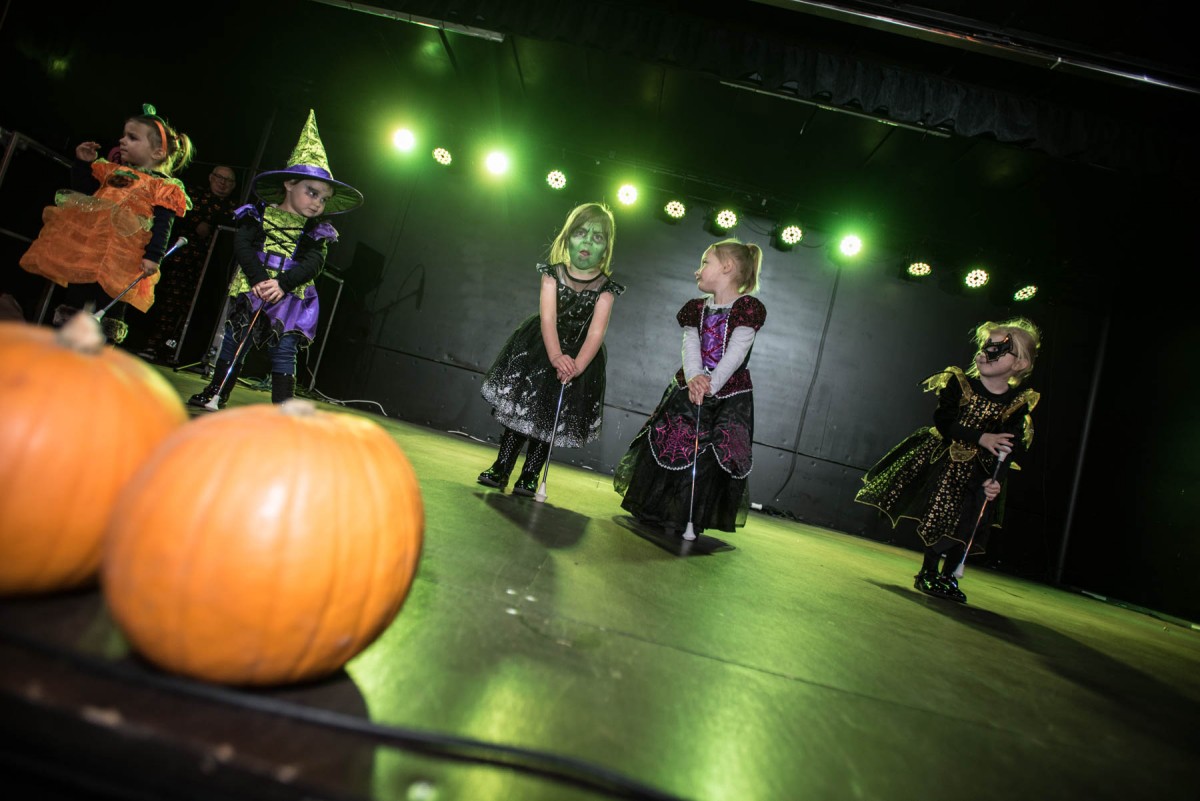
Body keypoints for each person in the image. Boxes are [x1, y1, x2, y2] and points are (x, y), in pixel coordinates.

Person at [854, 318, 1042, 603]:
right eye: (984, 346)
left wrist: (996, 481)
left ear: (1019, 364)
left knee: (969, 524)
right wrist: (980, 438)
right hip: (948, 463)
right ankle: (928, 571)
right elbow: (944, 421)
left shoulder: (1017, 404)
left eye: (997, 350)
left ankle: (949, 575)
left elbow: (1009, 448)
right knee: (941, 515)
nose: (984, 353)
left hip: (982, 472)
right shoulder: (959, 384)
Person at [186, 110, 361, 409]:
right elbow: (242, 245)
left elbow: (313, 263)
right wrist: (258, 280)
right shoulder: (257, 214)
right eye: (312, 192)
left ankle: (285, 408)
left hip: (291, 294)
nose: (318, 203)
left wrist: (282, 283)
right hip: (253, 288)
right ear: (290, 184)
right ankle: (216, 392)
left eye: (323, 198)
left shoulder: (316, 231)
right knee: (235, 340)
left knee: (284, 350)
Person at [614, 239, 766, 539]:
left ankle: (691, 518)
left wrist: (711, 384)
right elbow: (691, 346)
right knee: (674, 441)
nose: (698, 271)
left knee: (710, 455)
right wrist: (695, 377)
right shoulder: (695, 310)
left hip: (728, 397)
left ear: (727, 267)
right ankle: (657, 509)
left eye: (705, 263)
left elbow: (736, 353)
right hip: (690, 387)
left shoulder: (746, 309)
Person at [477, 202, 624, 496]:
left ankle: (530, 474)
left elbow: (596, 332)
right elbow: (548, 318)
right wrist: (556, 356)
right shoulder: (552, 274)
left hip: (578, 359)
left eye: (597, 238)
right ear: (567, 238)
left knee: (548, 419)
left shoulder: (606, 288)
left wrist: (577, 366)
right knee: (522, 413)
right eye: (581, 233)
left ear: (606, 248)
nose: (587, 242)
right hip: (543, 349)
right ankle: (502, 465)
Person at [19, 104, 193, 343]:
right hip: (89, 248)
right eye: (124, 135)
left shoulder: (163, 187)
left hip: (125, 257)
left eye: (132, 138)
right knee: (76, 296)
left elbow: (163, 224)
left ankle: (101, 354)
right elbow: (85, 195)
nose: (122, 141)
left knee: (110, 305)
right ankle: (63, 348)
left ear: (157, 153)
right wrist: (82, 164)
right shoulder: (110, 170)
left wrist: (154, 256)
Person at [137, 165, 239, 363]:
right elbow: (174, 217)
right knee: (168, 304)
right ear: (210, 177)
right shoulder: (192, 196)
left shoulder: (234, 209)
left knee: (192, 311)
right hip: (181, 261)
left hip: (209, 268)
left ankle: (177, 352)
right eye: (219, 177)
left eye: (228, 181)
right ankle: (152, 345)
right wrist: (196, 224)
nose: (222, 183)